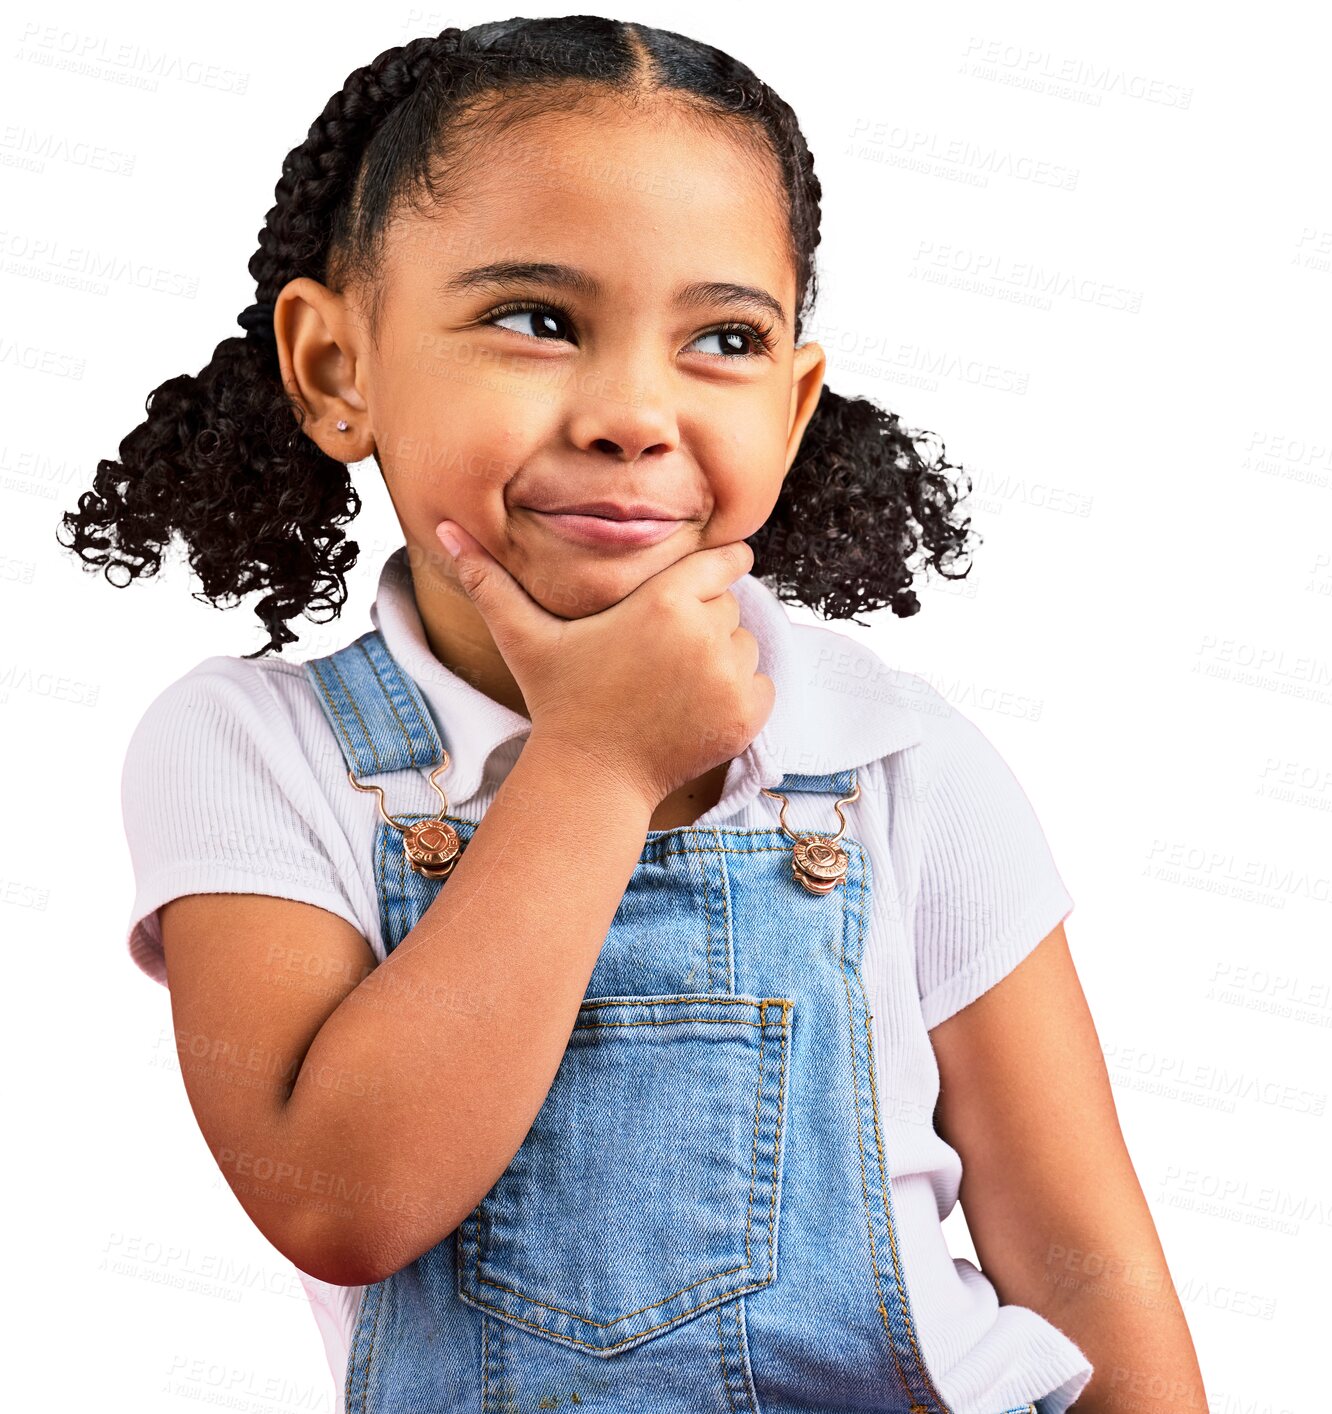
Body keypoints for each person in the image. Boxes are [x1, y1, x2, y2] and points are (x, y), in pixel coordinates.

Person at [59, 16, 1205, 1414]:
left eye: (721, 338)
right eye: (535, 320)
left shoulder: (890, 756)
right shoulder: (256, 751)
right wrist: (598, 759)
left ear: (789, 410)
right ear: (335, 365)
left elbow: (1085, 1267)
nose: (632, 411)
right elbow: (342, 1195)